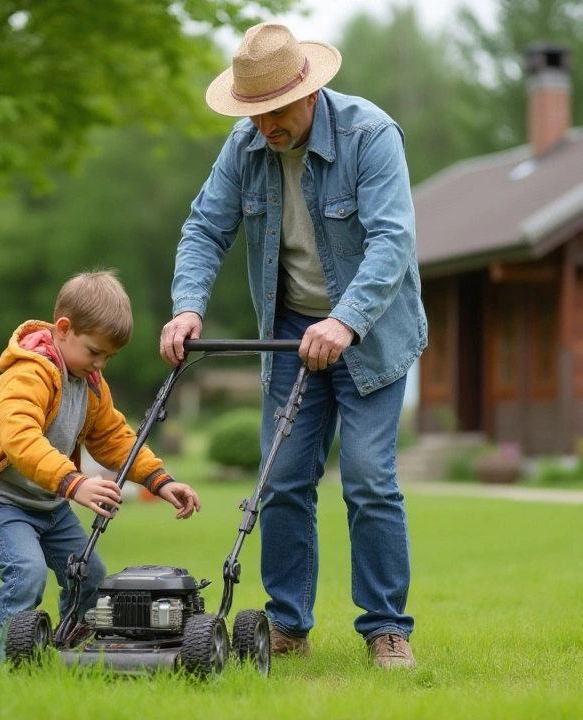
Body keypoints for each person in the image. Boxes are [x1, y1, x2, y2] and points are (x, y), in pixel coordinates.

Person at [160, 23, 426, 669]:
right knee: (280, 480)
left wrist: (345, 320)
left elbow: (392, 242)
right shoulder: (246, 145)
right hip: (288, 336)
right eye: (252, 113)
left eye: (274, 111)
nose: (263, 126)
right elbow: (204, 227)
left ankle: (386, 629)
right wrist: (187, 305)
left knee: (367, 477)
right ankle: (286, 626)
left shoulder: (370, 136)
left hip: (369, 336)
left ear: (308, 94)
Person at [0, 270, 202, 665]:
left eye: (108, 357)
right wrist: (74, 482)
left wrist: (161, 481)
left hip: (48, 503)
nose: (100, 363)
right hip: (2, 501)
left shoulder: (90, 384)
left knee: (90, 579)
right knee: (26, 574)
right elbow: (21, 441)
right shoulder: (27, 375)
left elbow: (115, 439)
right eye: (94, 352)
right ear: (64, 329)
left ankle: (71, 652)